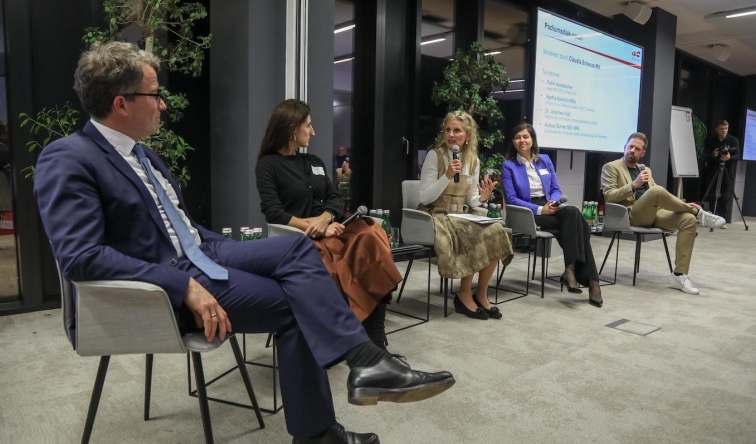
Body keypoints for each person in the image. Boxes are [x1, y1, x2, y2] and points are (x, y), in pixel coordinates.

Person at [33, 42, 455, 444]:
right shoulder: (68, 157)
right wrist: (182, 286)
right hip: (168, 280)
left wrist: (218, 244)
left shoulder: (144, 155)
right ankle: (326, 420)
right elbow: (81, 258)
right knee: (298, 305)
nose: (163, 104)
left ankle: (363, 364)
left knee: (296, 249)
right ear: (121, 103)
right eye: (155, 95)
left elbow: (180, 225)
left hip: (204, 250)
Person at [256, 99, 401, 350]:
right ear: (292, 128)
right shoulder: (268, 165)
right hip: (299, 240)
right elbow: (273, 211)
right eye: (308, 126)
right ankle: (365, 344)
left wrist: (325, 219)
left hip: (331, 229)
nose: (313, 132)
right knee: (346, 263)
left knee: (370, 231)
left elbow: (334, 197)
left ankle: (373, 342)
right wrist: (312, 226)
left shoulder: (314, 162)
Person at [601, 132, 726, 295]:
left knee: (687, 220)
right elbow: (609, 196)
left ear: (642, 153)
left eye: (637, 149)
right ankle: (698, 212)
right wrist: (634, 184)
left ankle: (679, 275)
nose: (632, 150)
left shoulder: (645, 169)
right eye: (630, 146)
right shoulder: (611, 167)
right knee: (656, 191)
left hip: (654, 214)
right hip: (630, 216)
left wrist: (683, 206)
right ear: (624, 147)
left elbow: (660, 199)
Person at [419, 110, 513, 320]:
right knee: (474, 233)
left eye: (457, 130)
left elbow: (471, 199)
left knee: (496, 229)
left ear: (468, 135)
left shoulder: (473, 160)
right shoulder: (435, 156)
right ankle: (463, 294)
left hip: (462, 214)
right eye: (448, 130)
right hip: (436, 214)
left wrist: (482, 197)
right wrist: (447, 176)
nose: (451, 135)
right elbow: (425, 198)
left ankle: (481, 293)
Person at [501, 123, 603, 307]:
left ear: (532, 140)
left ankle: (570, 269)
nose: (522, 140)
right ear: (513, 142)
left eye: (525, 136)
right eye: (517, 137)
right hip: (527, 211)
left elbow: (556, 189)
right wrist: (541, 210)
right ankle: (592, 282)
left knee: (572, 212)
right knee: (577, 226)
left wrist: (553, 202)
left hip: (549, 205)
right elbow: (512, 199)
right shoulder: (509, 166)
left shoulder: (545, 160)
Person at [703, 119, 740, 227]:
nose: (724, 131)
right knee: (711, 195)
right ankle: (712, 218)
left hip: (727, 171)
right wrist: (713, 155)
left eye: (726, 129)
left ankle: (723, 220)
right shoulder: (711, 140)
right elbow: (704, 156)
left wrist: (729, 157)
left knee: (725, 196)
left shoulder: (733, 140)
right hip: (713, 171)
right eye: (721, 129)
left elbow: (738, 156)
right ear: (716, 129)